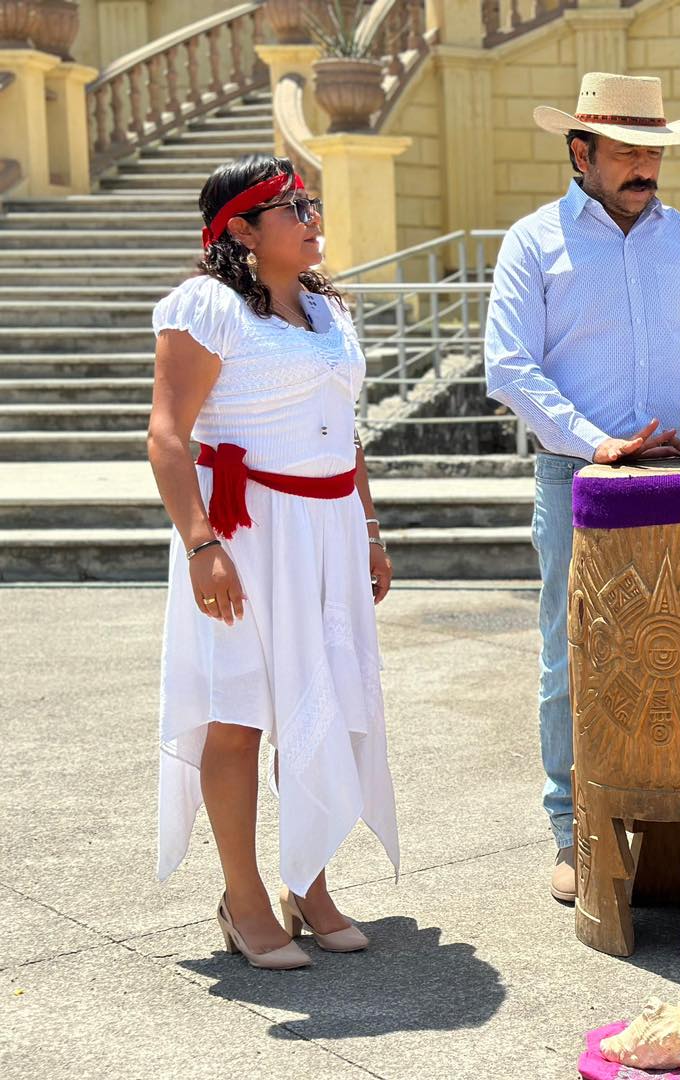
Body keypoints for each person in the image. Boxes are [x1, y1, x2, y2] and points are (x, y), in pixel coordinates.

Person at [484, 72, 680, 904]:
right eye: (628, 151)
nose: (646, 165)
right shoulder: (533, 243)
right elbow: (509, 366)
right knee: (571, 657)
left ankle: (679, 827)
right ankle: (574, 830)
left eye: (654, 150)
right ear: (581, 153)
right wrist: (591, 441)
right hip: (578, 479)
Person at [148, 154, 400, 968]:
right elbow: (169, 436)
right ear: (242, 233)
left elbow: (344, 428)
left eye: (311, 201)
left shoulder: (326, 307)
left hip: (327, 529)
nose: (310, 215)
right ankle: (244, 897)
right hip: (247, 534)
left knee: (317, 704)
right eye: (290, 207)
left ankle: (310, 882)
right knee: (240, 714)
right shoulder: (207, 306)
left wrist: (367, 528)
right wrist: (201, 546)